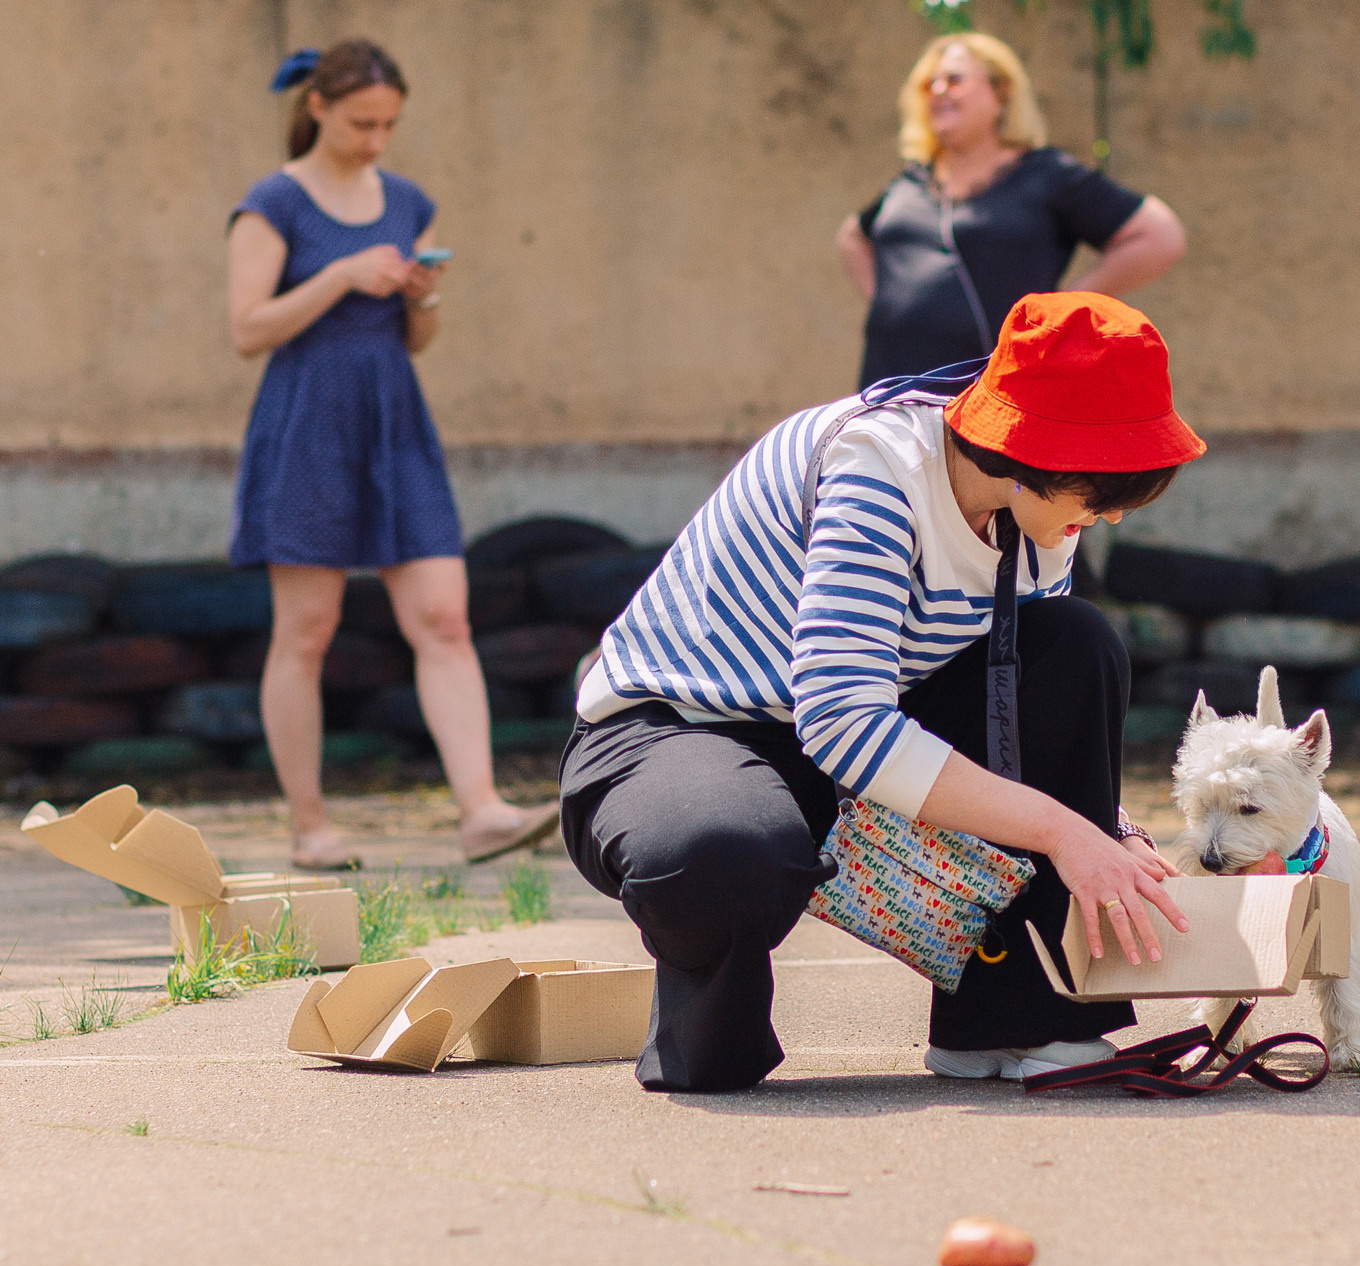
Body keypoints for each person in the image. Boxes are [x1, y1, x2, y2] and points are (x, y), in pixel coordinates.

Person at [562, 291, 1204, 1093]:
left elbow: (1026, 712)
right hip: (682, 733)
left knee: (1076, 644)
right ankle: (711, 1045)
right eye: (1099, 494)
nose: (1104, 518)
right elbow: (842, 720)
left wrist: (1112, 831)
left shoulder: (1040, 522)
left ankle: (1017, 1021)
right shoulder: (878, 468)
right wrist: (1064, 833)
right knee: (723, 857)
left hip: (841, 740)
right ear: (1027, 454)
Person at [226, 40, 557, 869]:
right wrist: (341, 275)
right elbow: (246, 330)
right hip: (306, 427)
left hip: (395, 425)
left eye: (389, 125)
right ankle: (310, 826)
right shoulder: (272, 202)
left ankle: (481, 810)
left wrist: (423, 295)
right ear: (318, 109)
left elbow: (419, 339)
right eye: (362, 123)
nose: (377, 140)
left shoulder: (408, 201)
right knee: (306, 631)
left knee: (446, 616)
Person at [836, 32, 1187, 390]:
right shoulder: (909, 182)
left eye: (954, 80)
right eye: (930, 84)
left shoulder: (1046, 175)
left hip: (991, 401)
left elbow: (1160, 236)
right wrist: (888, 305)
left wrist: (1065, 310)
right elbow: (853, 236)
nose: (939, 90)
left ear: (1000, 93)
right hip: (888, 397)